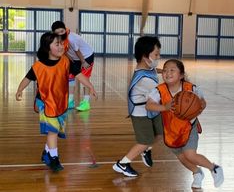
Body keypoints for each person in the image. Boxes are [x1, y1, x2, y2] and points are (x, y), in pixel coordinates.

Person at [15, 32, 97, 172]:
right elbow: (27, 79)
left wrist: (90, 86)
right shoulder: (38, 67)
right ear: (48, 48)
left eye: (62, 44)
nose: (61, 47)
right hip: (45, 103)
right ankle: (54, 158)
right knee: (52, 131)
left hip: (60, 103)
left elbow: (79, 75)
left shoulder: (66, 62)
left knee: (55, 130)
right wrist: (19, 89)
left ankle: (47, 152)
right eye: (57, 44)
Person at [146, 59, 224, 189]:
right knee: (182, 157)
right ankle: (197, 173)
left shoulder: (191, 88)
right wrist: (164, 107)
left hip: (189, 127)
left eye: (172, 70)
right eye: (165, 70)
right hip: (171, 131)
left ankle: (214, 168)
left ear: (181, 75)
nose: (167, 73)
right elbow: (149, 105)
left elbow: (202, 102)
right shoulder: (159, 90)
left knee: (190, 155)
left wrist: (200, 106)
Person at [112, 36, 163, 177]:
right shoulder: (145, 80)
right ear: (145, 56)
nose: (158, 57)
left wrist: (163, 71)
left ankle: (146, 150)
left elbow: (154, 70)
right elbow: (163, 94)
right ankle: (122, 164)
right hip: (141, 112)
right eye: (156, 55)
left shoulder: (147, 67)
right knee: (144, 141)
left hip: (152, 109)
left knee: (162, 132)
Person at [51, 21, 95, 111]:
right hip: (75, 58)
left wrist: (83, 62)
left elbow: (77, 51)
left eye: (62, 31)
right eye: (57, 32)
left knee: (84, 79)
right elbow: (65, 51)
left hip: (86, 56)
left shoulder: (72, 38)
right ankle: (70, 101)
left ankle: (86, 103)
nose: (60, 33)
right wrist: (71, 62)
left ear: (65, 29)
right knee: (70, 77)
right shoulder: (57, 39)